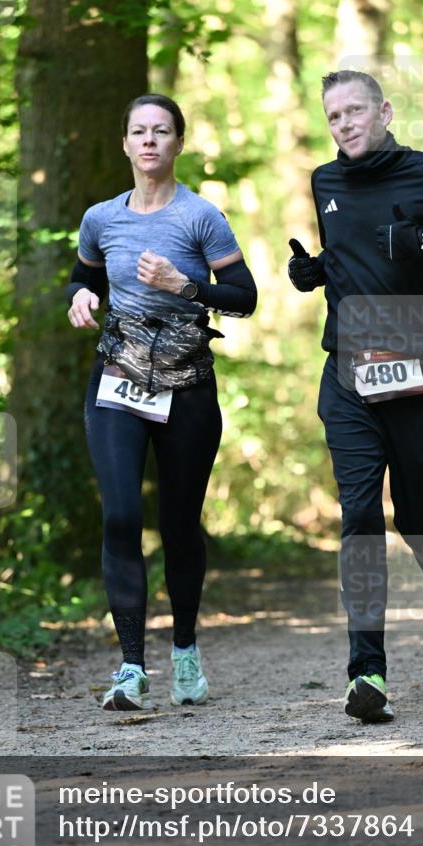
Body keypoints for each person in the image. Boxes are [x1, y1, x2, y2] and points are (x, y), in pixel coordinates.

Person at [288, 70, 423, 723]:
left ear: (383, 110)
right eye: (333, 116)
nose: (344, 124)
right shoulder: (325, 182)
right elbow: (351, 259)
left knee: (415, 518)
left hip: (420, 374)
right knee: (357, 518)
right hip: (348, 375)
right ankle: (367, 674)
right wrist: (313, 273)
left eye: (354, 110)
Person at [67, 94, 257, 711]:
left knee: (179, 524)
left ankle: (184, 651)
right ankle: (128, 667)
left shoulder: (201, 217)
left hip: (187, 385)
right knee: (121, 515)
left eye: (162, 131)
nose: (150, 141)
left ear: (178, 143)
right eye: (139, 132)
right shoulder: (100, 218)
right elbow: (85, 275)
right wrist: (80, 298)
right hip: (118, 380)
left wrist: (186, 284)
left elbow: (245, 296)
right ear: (124, 143)